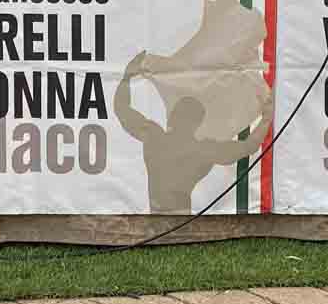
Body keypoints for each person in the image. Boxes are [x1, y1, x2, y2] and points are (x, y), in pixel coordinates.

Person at [114, 51, 274, 214]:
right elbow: (249, 146)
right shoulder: (201, 149)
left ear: (174, 117)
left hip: (167, 214)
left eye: (177, 113)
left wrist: (127, 77)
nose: (173, 116)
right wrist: (267, 117)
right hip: (178, 215)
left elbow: (122, 109)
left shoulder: (156, 137)